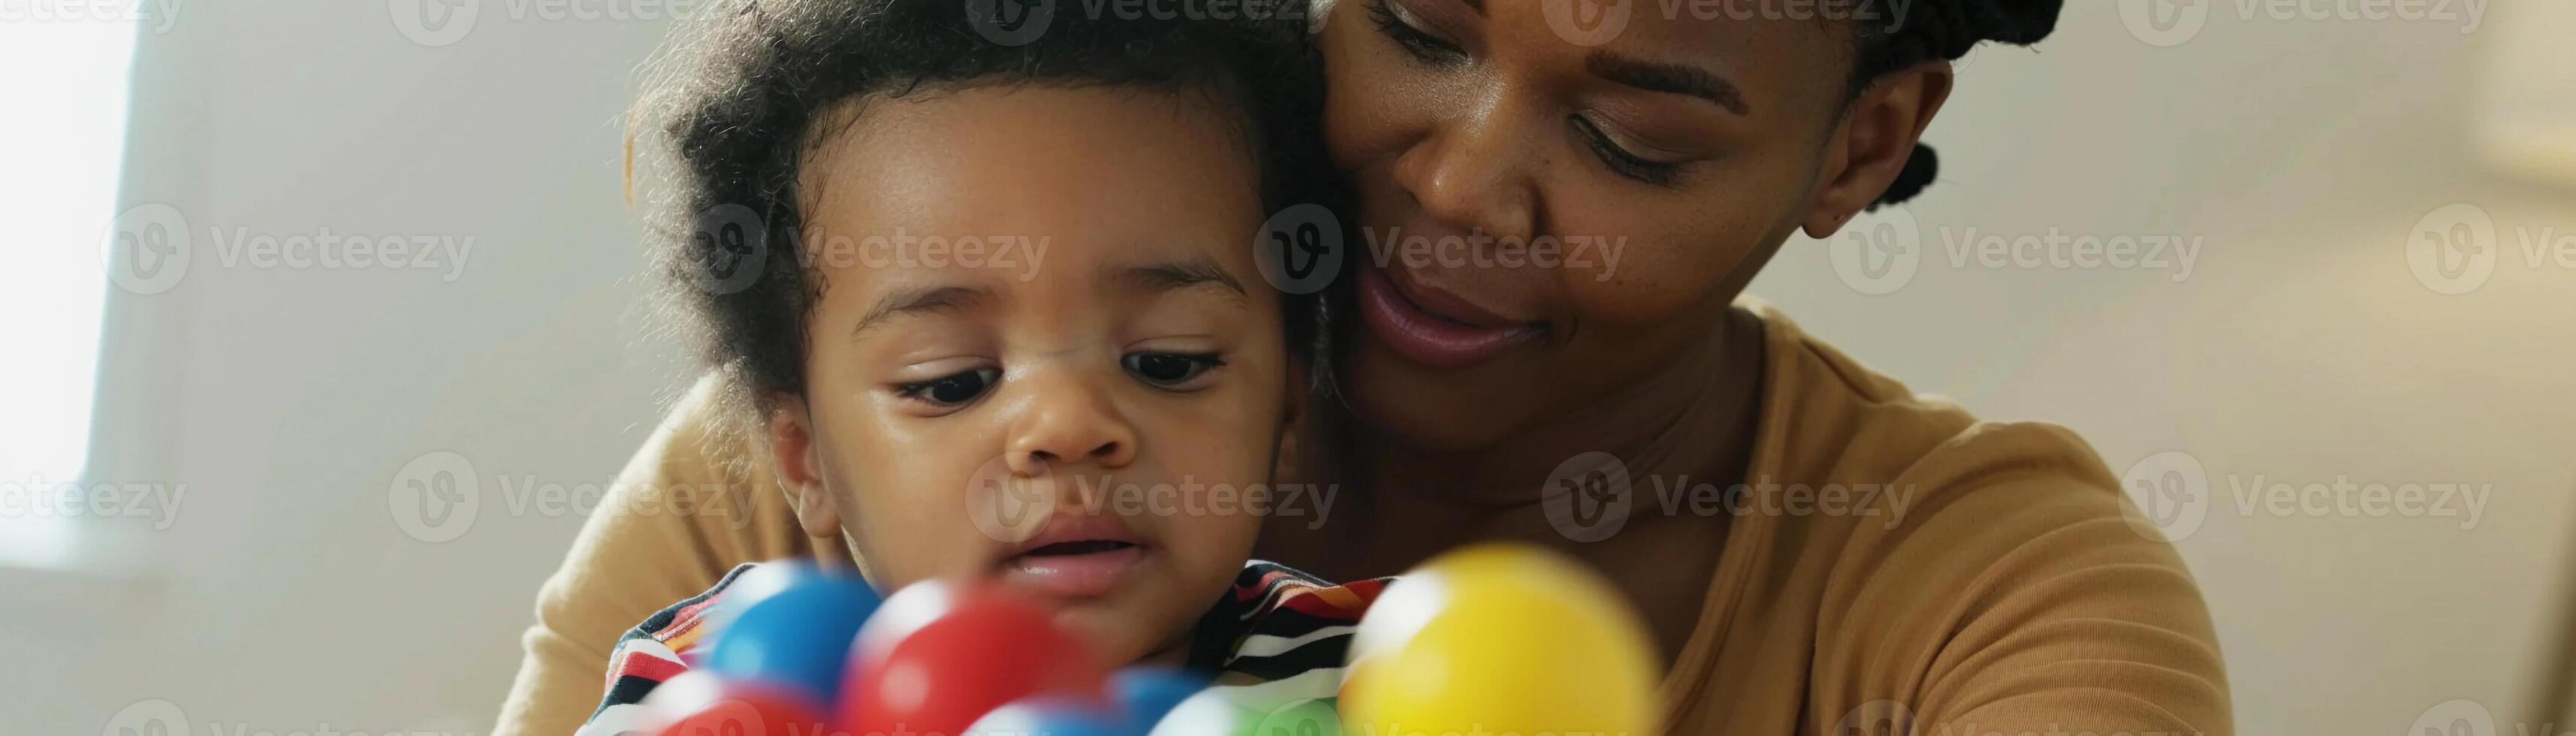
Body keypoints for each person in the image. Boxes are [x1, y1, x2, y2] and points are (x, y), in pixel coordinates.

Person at [497, 2, 2234, 734]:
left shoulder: (1980, 594)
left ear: (1861, 144)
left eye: (1635, 136)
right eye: (1415, 28)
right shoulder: (834, 452)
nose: (1462, 180)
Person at [563, 2, 1383, 732]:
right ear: (803, 458)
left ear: (1284, 409)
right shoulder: (718, 684)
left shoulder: (1373, 672)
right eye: (950, 381)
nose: (1066, 426)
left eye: (1168, 362)